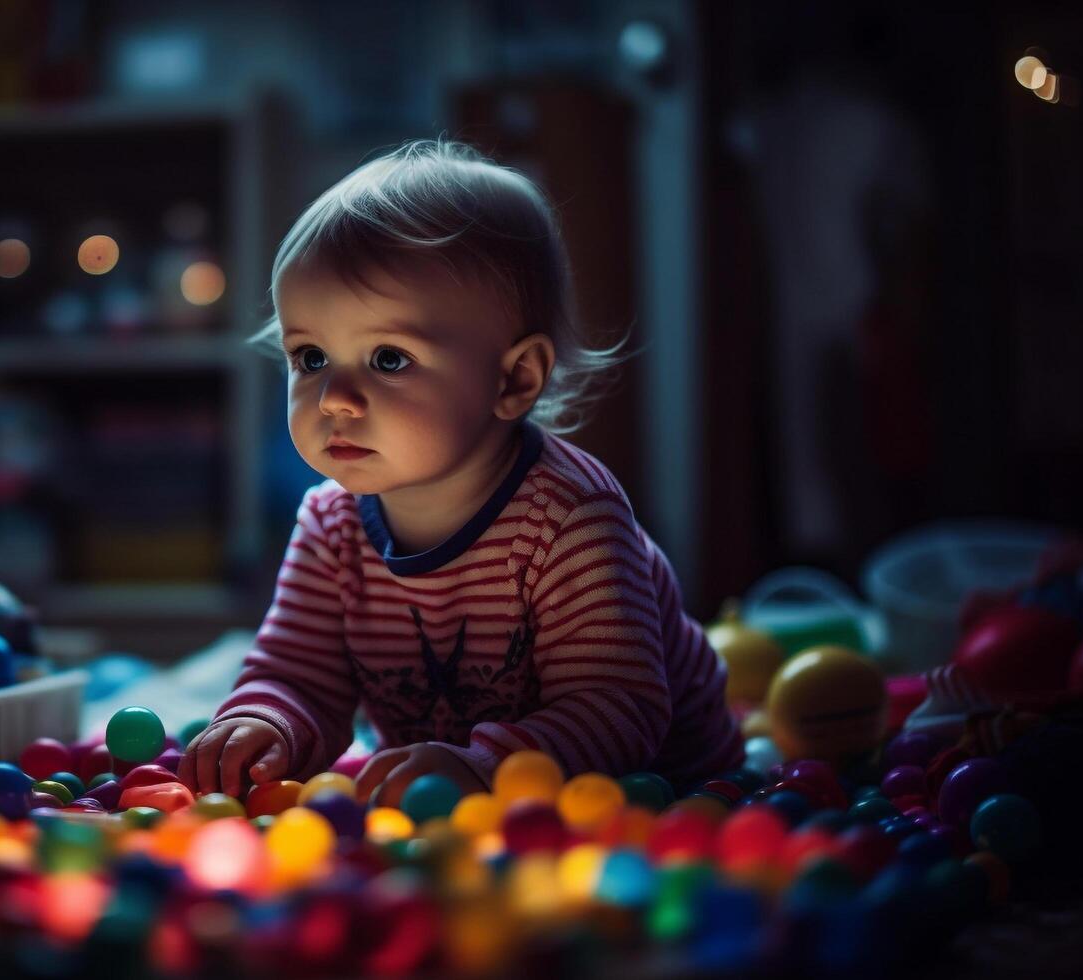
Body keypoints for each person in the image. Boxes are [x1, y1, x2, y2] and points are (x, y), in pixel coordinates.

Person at [178, 140, 742, 806]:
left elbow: (617, 708)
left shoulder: (567, 517)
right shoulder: (330, 525)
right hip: (448, 802)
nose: (332, 398)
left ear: (514, 379)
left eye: (387, 358)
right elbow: (300, 677)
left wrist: (485, 767)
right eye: (310, 357)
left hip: (661, 797)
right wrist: (264, 722)